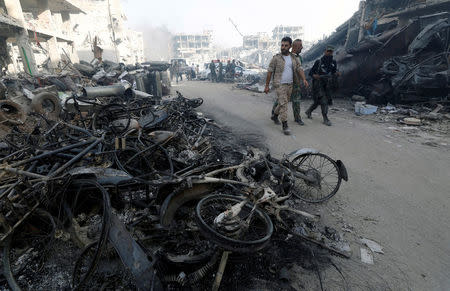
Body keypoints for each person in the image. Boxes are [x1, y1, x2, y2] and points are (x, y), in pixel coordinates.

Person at [264, 37, 309, 135]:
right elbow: (269, 72)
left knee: (282, 103)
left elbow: (299, 68)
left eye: (285, 45)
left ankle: (275, 115)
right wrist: (267, 85)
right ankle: (285, 125)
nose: (283, 47)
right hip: (279, 85)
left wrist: (304, 79)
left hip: (290, 85)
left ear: (290, 46)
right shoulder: (276, 58)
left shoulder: (294, 58)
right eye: (282, 45)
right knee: (284, 105)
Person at [271, 39, 305, 125]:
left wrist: (303, 79)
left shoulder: (299, 58)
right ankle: (275, 114)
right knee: (281, 101)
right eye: (300, 46)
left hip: (295, 84)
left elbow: (299, 69)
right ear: (295, 47)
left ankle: (297, 118)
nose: (302, 47)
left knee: (296, 101)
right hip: (284, 83)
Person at [305, 45, 338, 126]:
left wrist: (336, 74)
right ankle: (325, 118)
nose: (329, 53)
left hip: (327, 84)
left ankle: (309, 111)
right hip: (318, 84)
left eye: (331, 52)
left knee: (317, 102)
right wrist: (315, 76)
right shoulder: (318, 62)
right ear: (325, 51)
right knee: (323, 101)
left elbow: (333, 72)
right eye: (328, 51)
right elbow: (311, 73)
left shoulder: (333, 62)